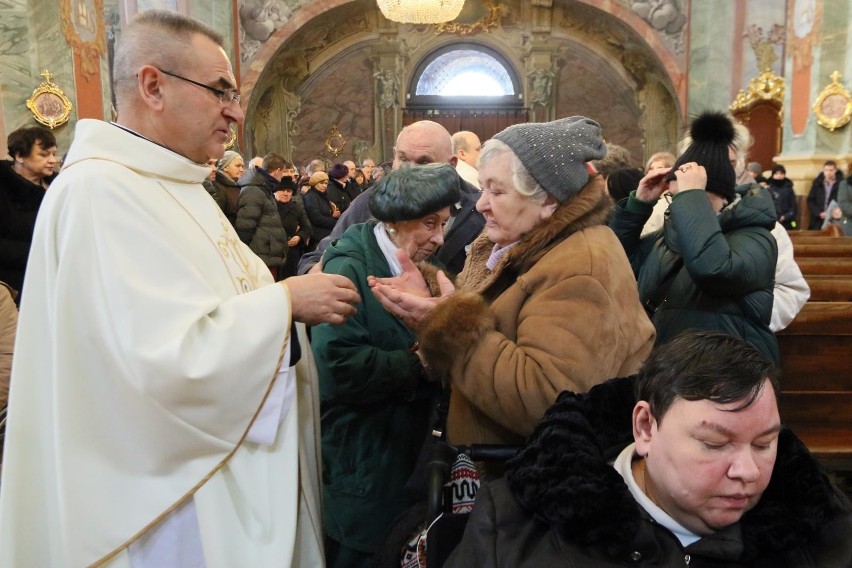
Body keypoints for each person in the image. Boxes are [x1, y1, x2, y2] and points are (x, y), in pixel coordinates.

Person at [0, 10, 360, 567]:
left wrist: (283, 294)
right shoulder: (100, 191)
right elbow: (152, 365)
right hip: (164, 504)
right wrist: (287, 302)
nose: (236, 111)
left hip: (211, 472)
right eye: (220, 92)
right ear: (152, 86)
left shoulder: (177, 181)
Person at [445, 330, 852, 567]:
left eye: (764, 443)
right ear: (646, 427)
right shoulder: (517, 525)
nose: (747, 471)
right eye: (714, 443)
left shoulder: (821, 528)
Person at [369, 117, 655, 450]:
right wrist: (434, 292)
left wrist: (444, 323)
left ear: (548, 200)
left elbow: (548, 401)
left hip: (527, 479)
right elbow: (491, 315)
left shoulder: (582, 267)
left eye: (497, 191)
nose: (480, 204)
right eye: (483, 187)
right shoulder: (514, 242)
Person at [312, 164, 460, 568]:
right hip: (362, 463)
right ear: (393, 219)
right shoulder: (350, 268)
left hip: (400, 458)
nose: (439, 238)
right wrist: (421, 361)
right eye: (429, 224)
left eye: (444, 224)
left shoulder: (417, 268)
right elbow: (338, 368)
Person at [611, 111, 779, 362]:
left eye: (683, 197)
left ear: (713, 195)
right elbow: (618, 264)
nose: (675, 206)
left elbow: (714, 269)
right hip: (664, 370)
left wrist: (690, 197)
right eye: (673, 197)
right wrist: (638, 206)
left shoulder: (756, 237)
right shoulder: (667, 237)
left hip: (723, 376)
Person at [297, 121, 485, 276]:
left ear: (451, 164)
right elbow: (317, 257)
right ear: (394, 155)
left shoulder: (480, 210)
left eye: (424, 162)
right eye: (403, 159)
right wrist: (319, 277)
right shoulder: (371, 201)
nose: (408, 171)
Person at [0, 126, 59, 302]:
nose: (52, 160)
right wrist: (39, 253)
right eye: (44, 154)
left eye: (53, 154)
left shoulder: (59, 186)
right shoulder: (4, 190)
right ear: (19, 156)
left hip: (56, 276)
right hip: (17, 284)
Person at [235, 152, 290, 279]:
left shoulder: (264, 186)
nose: (282, 177)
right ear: (277, 171)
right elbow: (245, 225)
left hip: (267, 254)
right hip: (261, 256)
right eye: (282, 173)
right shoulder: (253, 189)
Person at [274, 185, 312, 279]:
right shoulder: (270, 206)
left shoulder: (296, 207)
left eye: (289, 191)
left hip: (290, 252)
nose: (286, 193)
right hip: (273, 251)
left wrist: (299, 237)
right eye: (282, 190)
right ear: (275, 191)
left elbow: (307, 228)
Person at [205, 149, 244, 226]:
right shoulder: (217, 188)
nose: (241, 170)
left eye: (242, 166)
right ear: (225, 167)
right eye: (238, 166)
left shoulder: (239, 185)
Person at [303, 170, 340, 249]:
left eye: (326, 183)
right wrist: (335, 222)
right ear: (315, 183)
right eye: (321, 183)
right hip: (317, 238)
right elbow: (316, 218)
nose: (324, 186)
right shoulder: (311, 197)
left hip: (325, 235)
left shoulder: (322, 196)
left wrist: (333, 215)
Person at [806, 160, 844, 229]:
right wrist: (818, 213)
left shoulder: (841, 184)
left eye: (831, 170)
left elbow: (842, 200)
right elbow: (811, 200)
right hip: (818, 218)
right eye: (826, 170)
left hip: (834, 218)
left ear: (835, 170)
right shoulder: (817, 183)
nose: (828, 172)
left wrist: (831, 213)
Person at [767, 164, 797, 230]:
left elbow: (793, 206)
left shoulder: (789, 188)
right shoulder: (768, 188)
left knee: (794, 227)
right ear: (773, 175)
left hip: (788, 221)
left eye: (781, 173)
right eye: (776, 173)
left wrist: (785, 216)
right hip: (772, 221)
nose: (779, 176)